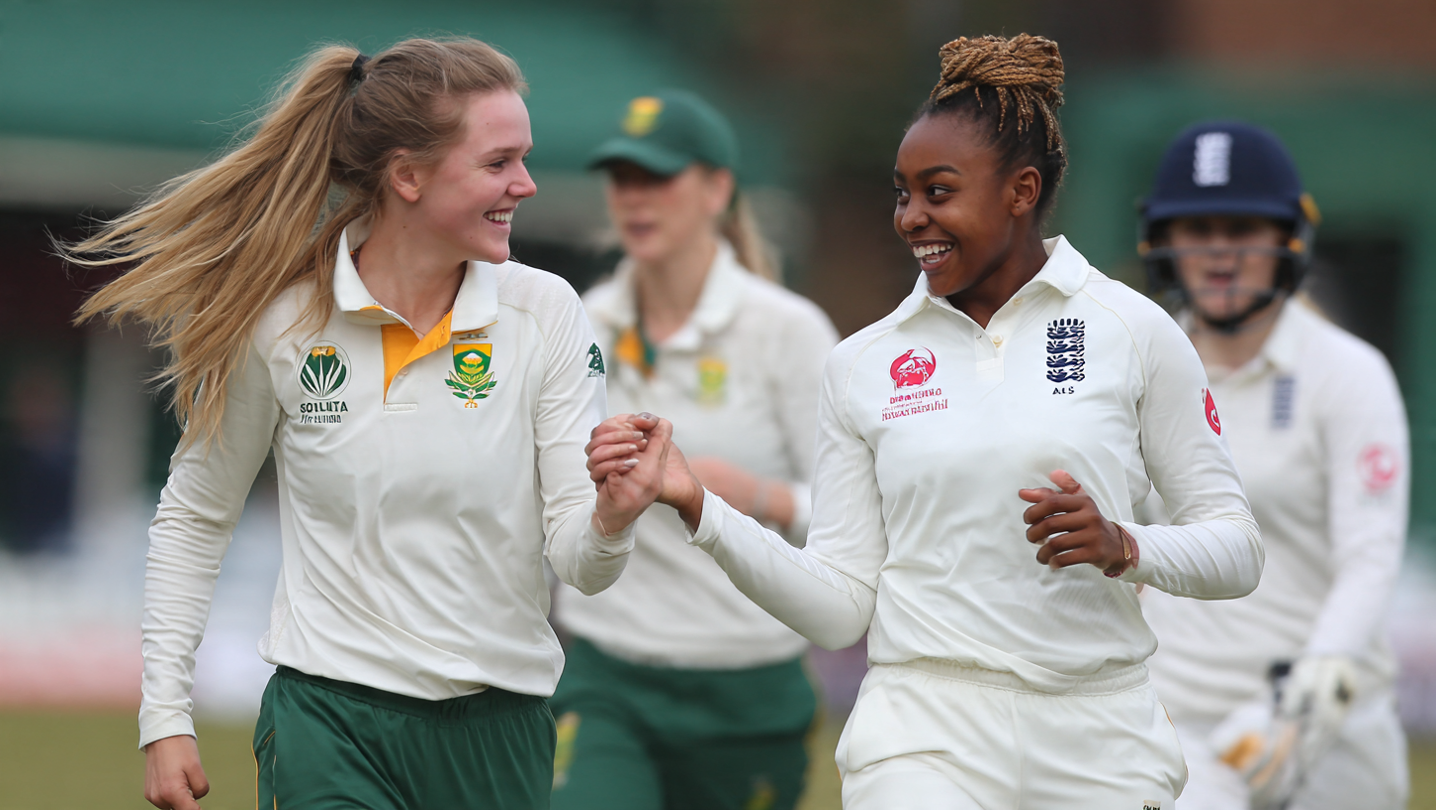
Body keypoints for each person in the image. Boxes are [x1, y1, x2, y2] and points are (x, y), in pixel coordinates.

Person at [589, 34, 1267, 810]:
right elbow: (840, 606)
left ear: (1021, 190)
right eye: (902, 193)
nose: (911, 218)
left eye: (938, 192)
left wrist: (1124, 545)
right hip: (921, 730)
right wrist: (701, 508)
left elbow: (1237, 550)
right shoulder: (862, 363)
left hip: (1102, 735)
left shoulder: (1134, 330)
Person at [63, 38, 670, 810]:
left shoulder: (545, 312)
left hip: (501, 729)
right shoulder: (284, 323)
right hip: (328, 721)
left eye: (524, 159)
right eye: (498, 162)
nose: (526, 184)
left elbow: (580, 564)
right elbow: (194, 517)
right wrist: (165, 717)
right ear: (407, 175)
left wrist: (613, 517)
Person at [549, 91, 840, 810]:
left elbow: (860, 517)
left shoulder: (789, 330)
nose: (635, 198)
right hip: (607, 676)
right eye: (622, 179)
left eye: (659, 177)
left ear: (718, 188)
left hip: (750, 687)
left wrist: (756, 498)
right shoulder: (577, 321)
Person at [1136, 122, 1410, 810]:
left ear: (1289, 238)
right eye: (1197, 230)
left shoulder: (1348, 373)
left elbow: (1369, 558)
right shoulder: (1135, 367)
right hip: (1179, 723)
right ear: (1165, 244)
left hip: (1331, 729)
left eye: (1242, 227)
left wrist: (1304, 700)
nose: (1221, 252)